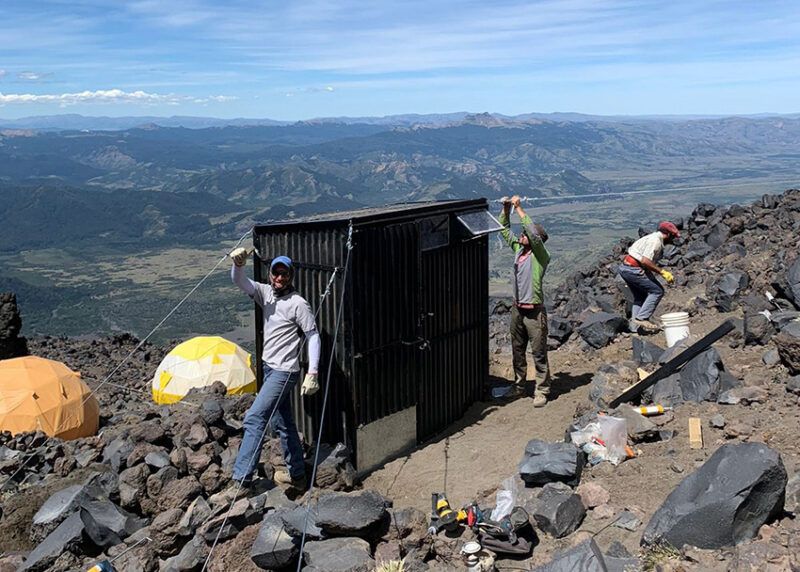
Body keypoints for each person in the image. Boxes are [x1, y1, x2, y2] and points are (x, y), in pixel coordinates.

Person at [226, 246, 321, 493]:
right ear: (270, 274)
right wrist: (238, 264)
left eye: (284, 274)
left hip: (284, 372)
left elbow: (313, 335)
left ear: (291, 276)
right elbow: (240, 281)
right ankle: (298, 475)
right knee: (284, 422)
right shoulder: (266, 293)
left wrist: (312, 372)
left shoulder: (298, 303)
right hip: (269, 368)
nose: (279, 278)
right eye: (276, 273)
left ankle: (242, 480)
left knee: (255, 417)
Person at [499, 195, 552, 407]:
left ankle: (542, 389)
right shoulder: (519, 250)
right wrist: (506, 210)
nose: (521, 235)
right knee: (517, 349)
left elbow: (532, 234)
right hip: (517, 309)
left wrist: (519, 209)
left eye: (525, 234)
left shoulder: (540, 256)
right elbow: (504, 230)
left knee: (538, 352)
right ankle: (519, 386)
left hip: (534, 311)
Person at [617, 222, 680, 333]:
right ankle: (642, 318)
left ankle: (635, 328)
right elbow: (645, 261)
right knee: (657, 291)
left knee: (640, 296)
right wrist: (662, 272)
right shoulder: (655, 241)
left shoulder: (652, 237)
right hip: (633, 270)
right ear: (668, 235)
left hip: (626, 268)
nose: (672, 240)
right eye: (673, 237)